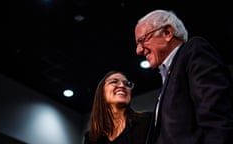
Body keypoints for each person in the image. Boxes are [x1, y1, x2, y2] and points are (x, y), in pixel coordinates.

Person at [134, 9, 233, 144]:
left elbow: (217, 116)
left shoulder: (193, 51)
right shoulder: (167, 78)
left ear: (167, 33)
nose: (138, 50)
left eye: (142, 40)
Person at [83, 70, 155, 144]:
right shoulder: (91, 138)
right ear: (102, 93)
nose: (122, 86)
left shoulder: (147, 120)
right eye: (114, 82)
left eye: (127, 84)